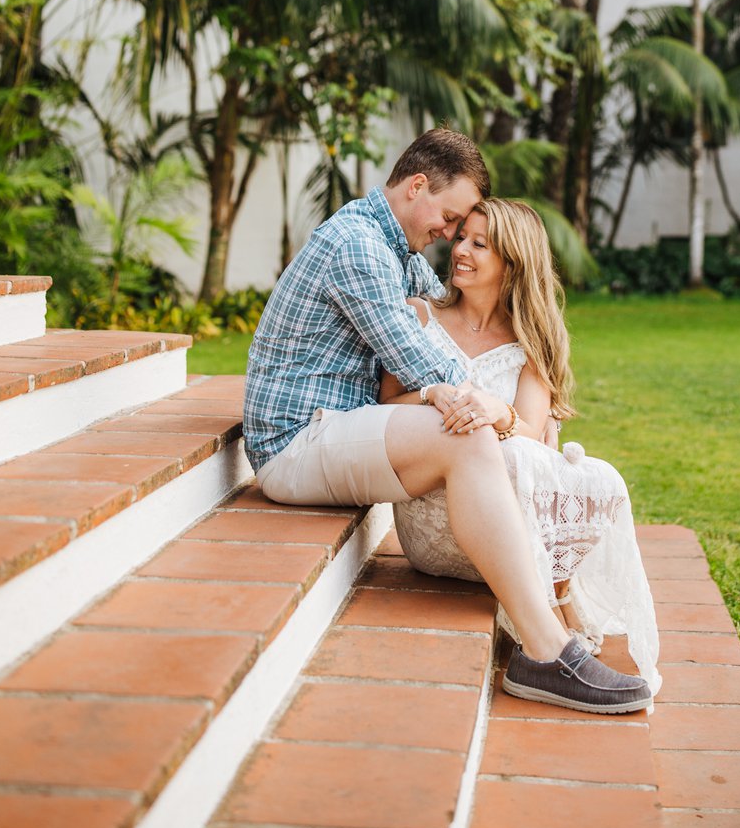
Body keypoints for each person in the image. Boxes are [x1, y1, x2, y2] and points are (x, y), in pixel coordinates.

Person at [243, 128, 652, 714]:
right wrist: (501, 414)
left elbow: (443, 320)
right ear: (417, 186)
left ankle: (548, 640)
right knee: (467, 437)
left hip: (335, 428)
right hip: (297, 442)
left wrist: (514, 416)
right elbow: (422, 358)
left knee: (478, 433)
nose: (449, 236)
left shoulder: (398, 256)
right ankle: (546, 651)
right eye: (451, 218)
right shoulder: (358, 246)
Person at [381, 198, 660, 702]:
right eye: (461, 236)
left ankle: (555, 609)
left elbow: (532, 429)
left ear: (512, 262)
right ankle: (550, 637)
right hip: (434, 521)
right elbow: (385, 405)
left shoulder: (532, 340)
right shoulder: (419, 316)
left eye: (478, 244)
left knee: (591, 474)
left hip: (504, 512)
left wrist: (497, 411)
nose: (459, 250)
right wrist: (436, 398)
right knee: (513, 457)